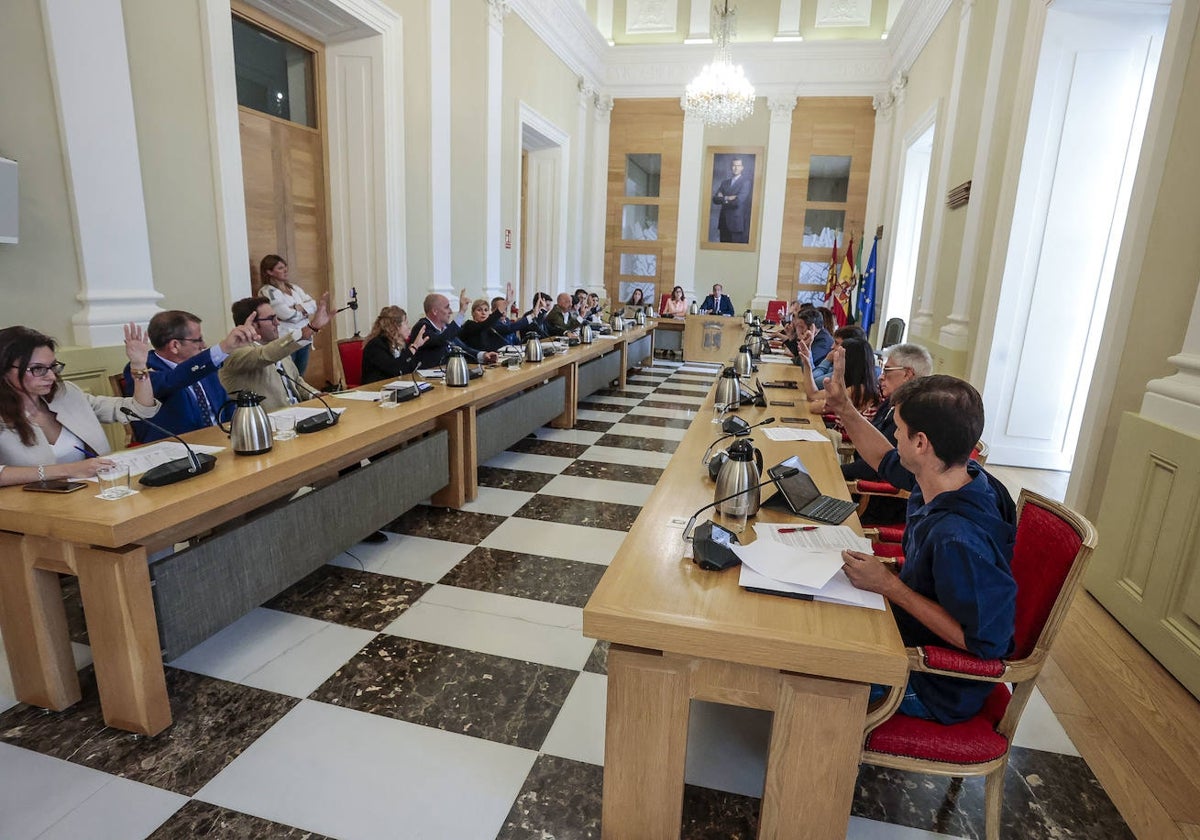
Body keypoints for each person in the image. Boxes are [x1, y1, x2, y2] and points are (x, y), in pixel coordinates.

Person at [831, 367, 1017, 725]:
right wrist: (844, 409)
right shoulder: (951, 476)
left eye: (898, 430)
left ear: (920, 443)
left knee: (816, 668)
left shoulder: (958, 538)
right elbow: (885, 460)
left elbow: (987, 644)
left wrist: (889, 585)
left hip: (935, 684)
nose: (894, 436)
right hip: (906, 637)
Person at [0, 325, 160, 484]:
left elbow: (140, 409)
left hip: (91, 494)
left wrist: (139, 366)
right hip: (28, 505)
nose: (51, 377)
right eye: (37, 369)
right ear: (4, 370)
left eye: (53, 367)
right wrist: (69, 470)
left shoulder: (66, 394)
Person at [125, 309, 261, 442]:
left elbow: (225, 406)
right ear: (175, 345)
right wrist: (224, 347)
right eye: (198, 340)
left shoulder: (202, 365)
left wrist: (242, 430)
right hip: (180, 451)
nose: (204, 345)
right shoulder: (142, 370)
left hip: (223, 440)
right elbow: (173, 379)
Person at [842, 343, 934, 523]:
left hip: (878, 500)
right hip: (862, 479)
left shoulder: (913, 415)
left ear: (907, 374)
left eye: (887, 371)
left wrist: (837, 472)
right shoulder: (892, 401)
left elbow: (879, 463)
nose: (881, 378)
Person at [220, 293, 332, 411]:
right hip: (268, 422)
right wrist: (309, 329)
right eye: (271, 319)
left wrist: (315, 395)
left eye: (277, 317)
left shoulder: (277, 347)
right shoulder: (234, 353)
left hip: (297, 413)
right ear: (253, 323)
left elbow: (296, 380)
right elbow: (263, 355)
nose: (277, 323)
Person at [796, 337, 881, 430]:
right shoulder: (861, 384)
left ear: (848, 361)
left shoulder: (856, 390)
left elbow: (814, 407)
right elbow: (813, 395)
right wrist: (807, 364)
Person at [258, 255, 318, 376]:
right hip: (286, 339)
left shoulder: (294, 288)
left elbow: (313, 304)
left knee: (300, 376)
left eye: (285, 267)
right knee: (288, 374)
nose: (285, 270)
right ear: (269, 271)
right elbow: (286, 315)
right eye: (280, 268)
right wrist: (302, 309)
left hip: (304, 337)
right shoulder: (268, 291)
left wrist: (297, 308)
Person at [408, 293, 500, 369]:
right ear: (435, 311)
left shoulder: (446, 328)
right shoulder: (422, 327)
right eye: (447, 307)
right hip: (428, 382)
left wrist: (484, 355)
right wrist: (461, 312)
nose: (451, 311)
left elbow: (463, 348)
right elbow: (442, 339)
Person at [360, 306, 429, 385]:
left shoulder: (401, 343)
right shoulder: (376, 345)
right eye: (406, 323)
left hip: (397, 387)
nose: (409, 327)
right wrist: (414, 347)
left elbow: (410, 368)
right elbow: (394, 369)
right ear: (396, 326)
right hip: (376, 390)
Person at [809, 324, 866, 390]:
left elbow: (812, 382)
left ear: (848, 347)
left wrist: (827, 360)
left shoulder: (847, 369)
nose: (832, 347)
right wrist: (807, 357)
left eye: (836, 343)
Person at [712, 156, 752, 243]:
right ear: (731, 167)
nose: (736, 168)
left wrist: (722, 198)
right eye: (734, 165)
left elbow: (737, 202)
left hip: (736, 223)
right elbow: (715, 199)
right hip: (723, 223)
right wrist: (727, 198)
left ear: (742, 167)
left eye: (738, 165)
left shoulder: (746, 182)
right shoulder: (725, 183)